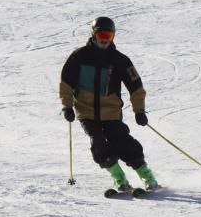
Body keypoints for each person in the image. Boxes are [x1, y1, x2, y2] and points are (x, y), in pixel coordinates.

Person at [59, 16, 160, 192]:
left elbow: (136, 87)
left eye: (109, 35)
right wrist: (67, 106)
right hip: (86, 111)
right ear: (93, 35)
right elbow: (66, 83)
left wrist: (139, 111)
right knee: (98, 143)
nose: (104, 40)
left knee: (122, 141)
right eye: (101, 35)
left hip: (111, 112)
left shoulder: (119, 60)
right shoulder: (79, 56)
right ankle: (119, 179)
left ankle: (147, 176)